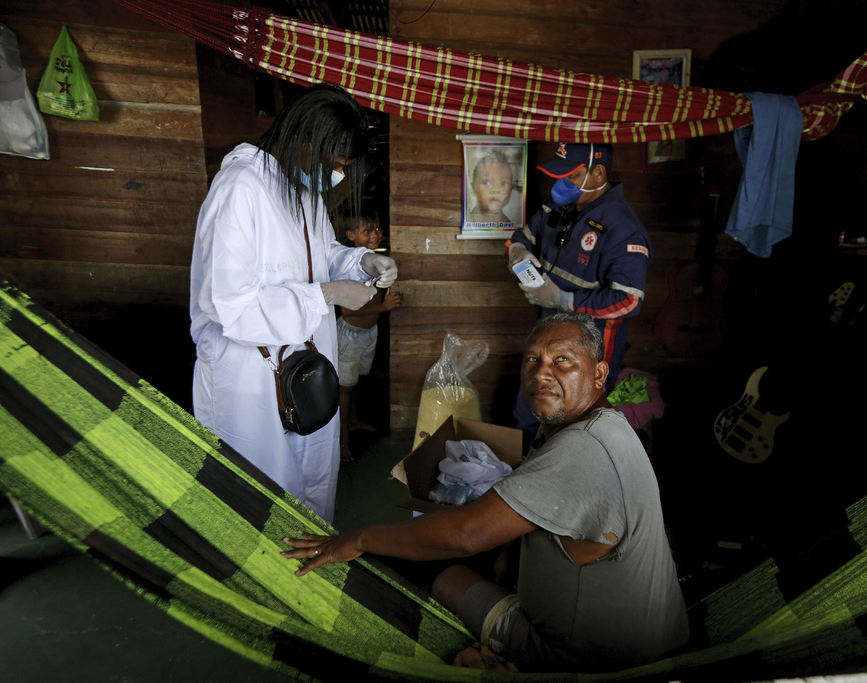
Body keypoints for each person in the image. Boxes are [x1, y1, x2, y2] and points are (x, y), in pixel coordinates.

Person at [283, 311, 689, 673]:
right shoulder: (601, 426)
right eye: (533, 361)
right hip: (650, 640)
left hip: (590, 661)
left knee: (422, 565)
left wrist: (357, 538)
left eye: (562, 360)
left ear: (599, 374)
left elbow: (465, 536)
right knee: (464, 546)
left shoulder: (583, 450)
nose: (542, 373)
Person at [189, 84, 398, 524]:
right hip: (250, 383)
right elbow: (230, 306)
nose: (337, 176)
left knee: (309, 489)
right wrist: (328, 294)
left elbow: (320, 257)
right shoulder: (240, 188)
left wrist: (361, 260)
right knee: (258, 495)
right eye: (336, 165)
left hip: (303, 366)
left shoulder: (302, 192)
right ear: (306, 142)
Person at [507, 142, 652, 442]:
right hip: (546, 332)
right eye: (557, 175)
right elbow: (524, 235)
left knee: (576, 418)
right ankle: (523, 474)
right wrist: (518, 251)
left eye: (570, 176)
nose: (561, 183)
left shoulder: (623, 228)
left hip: (589, 342)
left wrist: (564, 300)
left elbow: (628, 299)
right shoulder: (558, 206)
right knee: (531, 405)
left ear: (598, 173)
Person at [334, 209, 404, 462]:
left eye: (377, 229)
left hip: (368, 332)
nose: (375, 235)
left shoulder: (374, 261)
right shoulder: (349, 267)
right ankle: (342, 443)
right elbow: (346, 310)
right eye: (367, 230)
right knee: (345, 388)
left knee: (356, 382)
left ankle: (352, 421)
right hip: (350, 335)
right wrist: (384, 307)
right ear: (351, 235)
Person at [466, 148, 518, 228]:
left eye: (503, 183)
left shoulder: (509, 225)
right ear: (473, 188)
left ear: (511, 190)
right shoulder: (468, 223)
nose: (495, 190)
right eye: (486, 182)